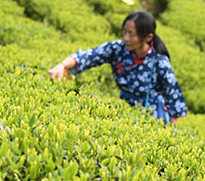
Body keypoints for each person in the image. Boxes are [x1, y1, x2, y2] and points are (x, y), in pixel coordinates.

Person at [48, 10, 187, 124]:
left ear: (148, 38)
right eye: (124, 32)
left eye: (131, 34)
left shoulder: (159, 62)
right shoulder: (117, 49)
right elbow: (89, 56)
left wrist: (170, 129)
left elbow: (173, 97)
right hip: (124, 109)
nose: (126, 38)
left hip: (152, 115)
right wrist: (62, 65)